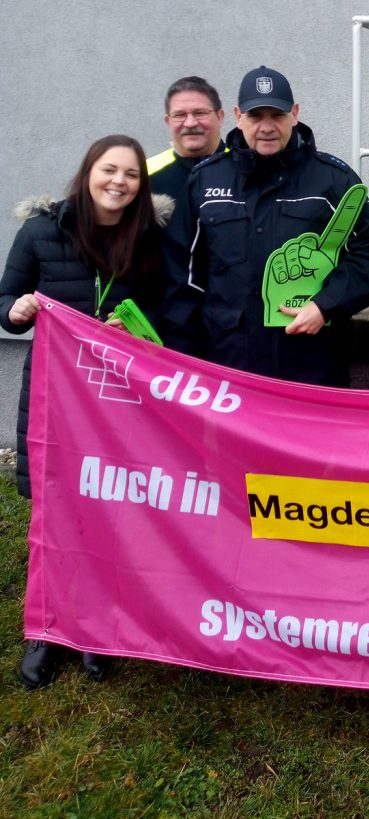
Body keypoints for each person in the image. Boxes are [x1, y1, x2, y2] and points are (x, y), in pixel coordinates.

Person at [0, 135, 169, 690]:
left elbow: (161, 307)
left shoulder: (147, 237)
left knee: (106, 507)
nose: (118, 182)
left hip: (115, 395)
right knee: (54, 511)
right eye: (109, 170)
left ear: (141, 186)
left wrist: (137, 325)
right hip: (54, 393)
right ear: (88, 171)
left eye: (131, 175)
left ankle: (96, 628)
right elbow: (5, 300)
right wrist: (18, 309)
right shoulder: (41, 230)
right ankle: (46, 632)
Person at [162, 66, 369, 386]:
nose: (266, 127)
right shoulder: (205, 180)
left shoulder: (333, 180)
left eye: (277, 115)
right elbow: (183, 280)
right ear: (237, 116)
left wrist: (326, 305)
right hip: (227, 367)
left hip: (310, 366)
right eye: (255, 116)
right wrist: (183, 362)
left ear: (295, 114)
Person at [147, 76, 226, 200]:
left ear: (219, 117)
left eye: (200, 113)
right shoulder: (145, 174)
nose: (190, 123)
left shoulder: (246, 169)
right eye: (180, 115)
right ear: (168, 122)